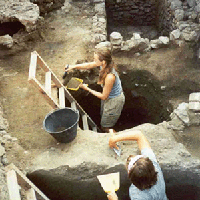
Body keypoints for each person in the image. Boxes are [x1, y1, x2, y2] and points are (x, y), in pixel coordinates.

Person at [65, 46, 125, 133]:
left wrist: (87, 88)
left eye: (95, 59)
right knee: (103, 117)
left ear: (103, 61)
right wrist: (73, 66)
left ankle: (119, 140)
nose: (94, 60)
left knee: (106, 127)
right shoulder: (104, 65)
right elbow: (89, 65)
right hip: (108, 97)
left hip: (114, 101)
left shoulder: (110, 77)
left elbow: (104, 96)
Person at [108, 130, 168, 200]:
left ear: (129, 175)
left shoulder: (137, 195)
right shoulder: (155, 166)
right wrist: (114, 139)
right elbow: (139, 135)